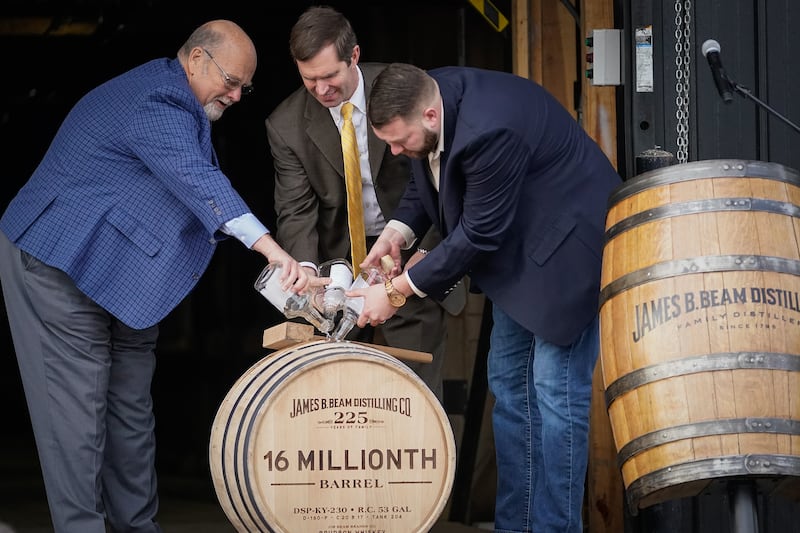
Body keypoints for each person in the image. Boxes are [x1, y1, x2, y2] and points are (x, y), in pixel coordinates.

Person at [0, 20, 318, 533]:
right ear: (196, 59)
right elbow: (197, 178)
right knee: (76, 414)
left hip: (125, 275)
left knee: (130, 411)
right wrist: (271, 250)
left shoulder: (183, 103)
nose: (237, 96)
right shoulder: (158, 98)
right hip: (56, 260)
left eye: (245, 87)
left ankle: (137, 527)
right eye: (231, 82)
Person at [354, 63, 623, 533]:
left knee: (555, 396)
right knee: (510, 388)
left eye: (399, 141)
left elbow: (478, 233)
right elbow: (426, 176)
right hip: (520, 255)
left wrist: (394, 293)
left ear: (430, 115)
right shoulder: (425, 98)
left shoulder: (489, 129)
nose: (395, 152)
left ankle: (556, 528)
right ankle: (514, 525)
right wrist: (395, 234)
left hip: (568, 251)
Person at [265, 6, 463, 399]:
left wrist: (425, 258)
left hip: (407, 252)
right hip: (335, 269)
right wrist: (307, 275)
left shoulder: (403, 90)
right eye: (309, 79)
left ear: (354, 56)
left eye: (330, 76)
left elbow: (441, 180)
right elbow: (296, 209)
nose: (321, 89)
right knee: (334, 393)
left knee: (413, 391)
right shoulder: (284, 124)